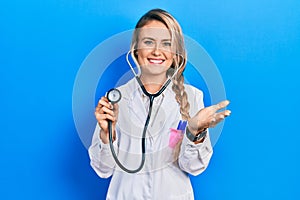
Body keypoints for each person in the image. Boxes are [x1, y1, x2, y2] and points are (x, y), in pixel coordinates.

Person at [89, 8, 231, 200]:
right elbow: (103, 170)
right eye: (149, 42)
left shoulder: (193, 97)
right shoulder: (116, 99)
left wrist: (195, 133)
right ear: (136, 50)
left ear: (175, 54)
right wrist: (106, 134)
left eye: (166, 44)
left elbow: (194, 167)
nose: (157, 51)